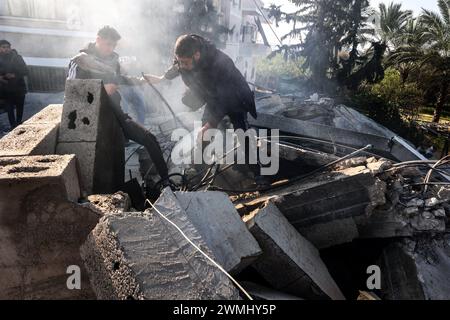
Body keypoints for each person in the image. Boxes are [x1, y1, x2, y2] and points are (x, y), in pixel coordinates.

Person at [144, 34, 269, 186]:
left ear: (197, 55)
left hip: (235, 98)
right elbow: (177, 66)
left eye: (185, 62)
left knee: (241, 133)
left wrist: (210, 123)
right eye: (180, 61)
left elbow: (224, 99)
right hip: (214, 97)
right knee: (204, 136)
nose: (182, 65)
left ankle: (258, 174)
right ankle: (200, 175)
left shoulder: (220, 63)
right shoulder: (186, 58)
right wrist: (162, 78)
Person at [67, 26, 169, 185]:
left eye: (113, 45)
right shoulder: (80, 60)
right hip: (90, 118)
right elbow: (71, 94)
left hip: (115, 112)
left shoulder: (113, 61)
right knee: (105, 158)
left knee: (150, 139)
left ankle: (167, 181)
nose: (111, 48)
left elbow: (122, 79)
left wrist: (143, 81)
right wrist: (100, 91)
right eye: (108, 44)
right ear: (98, 39)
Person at [0, 40, 28, 130]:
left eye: (7, 47)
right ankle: (13, 127)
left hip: (18, 87)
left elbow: (26, 71)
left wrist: (14, 75)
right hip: (5, 89)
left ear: (10, 48)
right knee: (9, 109)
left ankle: (19, 124)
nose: (6, 49)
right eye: (3, 47)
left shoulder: (17, 57)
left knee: (20, 108)